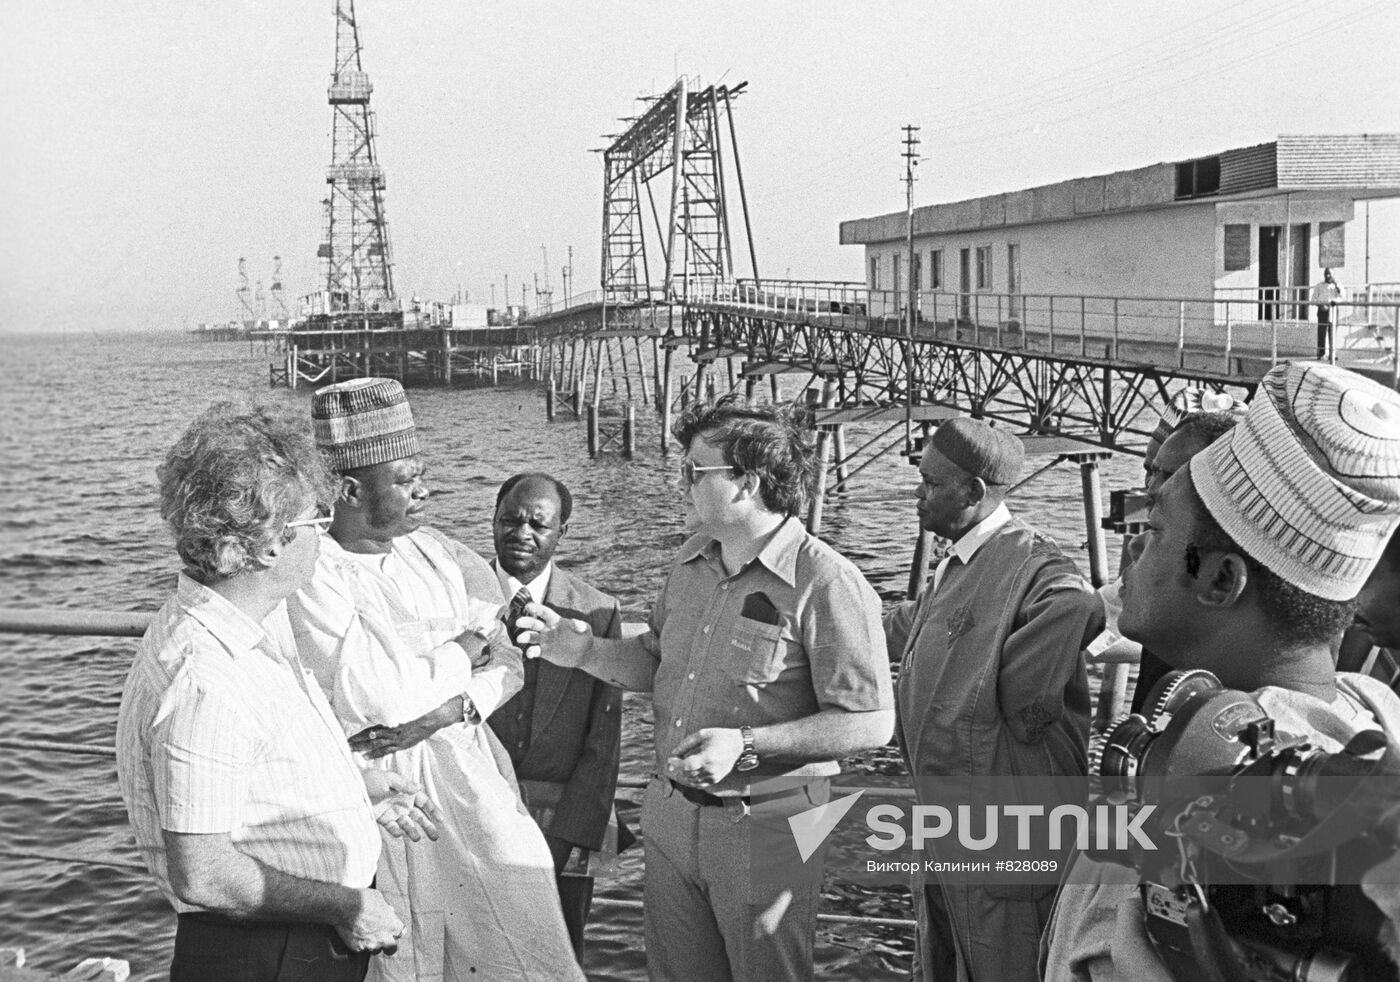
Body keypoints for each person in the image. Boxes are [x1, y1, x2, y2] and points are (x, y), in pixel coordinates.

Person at [1042, 361, 1400, 982]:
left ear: (1220, 579)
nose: (1130, 545)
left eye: (1152, 529)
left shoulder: (1194, 812)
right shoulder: (1374, 713)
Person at [521, 397, 895, 982]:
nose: (681, 482)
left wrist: (745, 744)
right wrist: (584, 651)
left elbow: (870, 722)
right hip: (672, 820)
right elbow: (657, 663)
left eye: (695, 471)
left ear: (745, 483)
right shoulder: (691, 561)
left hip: (770, 825)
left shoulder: (825, 581)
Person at [116, 403, 442, 982]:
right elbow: (205, 873)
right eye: (316, 524)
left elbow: (249, 778)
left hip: (289, 943)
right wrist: (350, 905)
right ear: (269, 546)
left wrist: (353, 789)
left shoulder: (244, 624)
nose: (323, 538)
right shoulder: (207, 677)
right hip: (270, 954)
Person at [287, 378, 583, 982]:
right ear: (347, 489)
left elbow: (509, 664)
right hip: (382, 786)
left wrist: (445, 712)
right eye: (403, 479)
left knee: (525, 923)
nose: (424, 489)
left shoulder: (441, 552)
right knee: (407, 949)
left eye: (420, 473)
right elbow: (378, 698)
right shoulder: (314, 570)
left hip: (468, 764)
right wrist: (464, 647)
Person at [883, 416, 1102, 982]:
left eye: (931, 483)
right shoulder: (959, 564)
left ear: (975, 492)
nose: (918, 494)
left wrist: (1015, 696)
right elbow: (904, 627)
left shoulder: (1033, 562)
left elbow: (1078, 605)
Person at [486, 471, 630, 957]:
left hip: (560, 823)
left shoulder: (596, 611)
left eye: (538, 525)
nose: (521, 533)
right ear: (494, 520)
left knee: (559, 953)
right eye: (510, 520)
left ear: (562, 533)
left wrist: (568, 836)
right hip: (474, 812)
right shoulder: (457, 598)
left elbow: (602, 743)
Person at [1127, 410, 1241, 712]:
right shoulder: (1177, 565)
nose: (1152, 488)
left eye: (1170, 476)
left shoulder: (1197, 571)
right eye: (1151, 471)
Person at [1312, 267, 1344, 360]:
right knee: (1322, 332)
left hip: (1333, 310)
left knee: (1332, 332)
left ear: (1333, 275)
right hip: (1323, 310)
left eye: (1329, 274)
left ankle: (1332, 354)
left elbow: (1342, 296)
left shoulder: (1337, 286)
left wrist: (1336, 285)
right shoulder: (1319, 286)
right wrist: (1320, 305)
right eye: (1326, 274)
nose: (1327, 276)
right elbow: (1313, 299)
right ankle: (1321, 354)